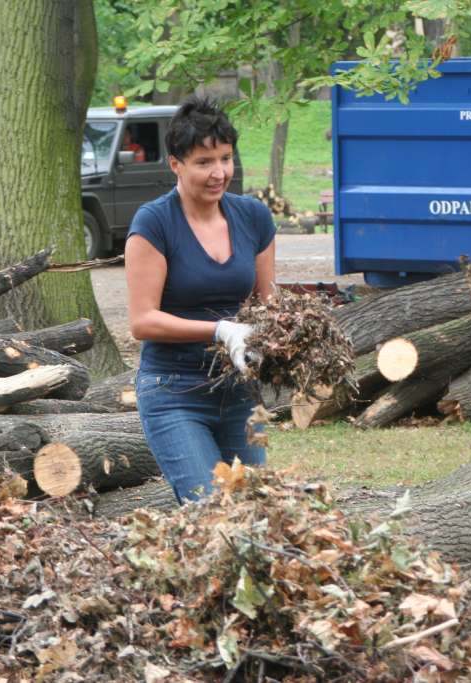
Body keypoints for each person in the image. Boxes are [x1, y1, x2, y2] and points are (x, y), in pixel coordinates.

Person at [125, 96, 277, 503]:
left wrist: (282, 338)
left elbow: (268, 306)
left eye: (225, 159)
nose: (219, 173)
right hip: (174, 393)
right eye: (204, 162)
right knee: (211, 510)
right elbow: (142, 321)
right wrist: (220, 329)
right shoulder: (154, 222)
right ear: (175, 164)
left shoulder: (254, 218)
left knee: (257, 509)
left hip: (240, 391)